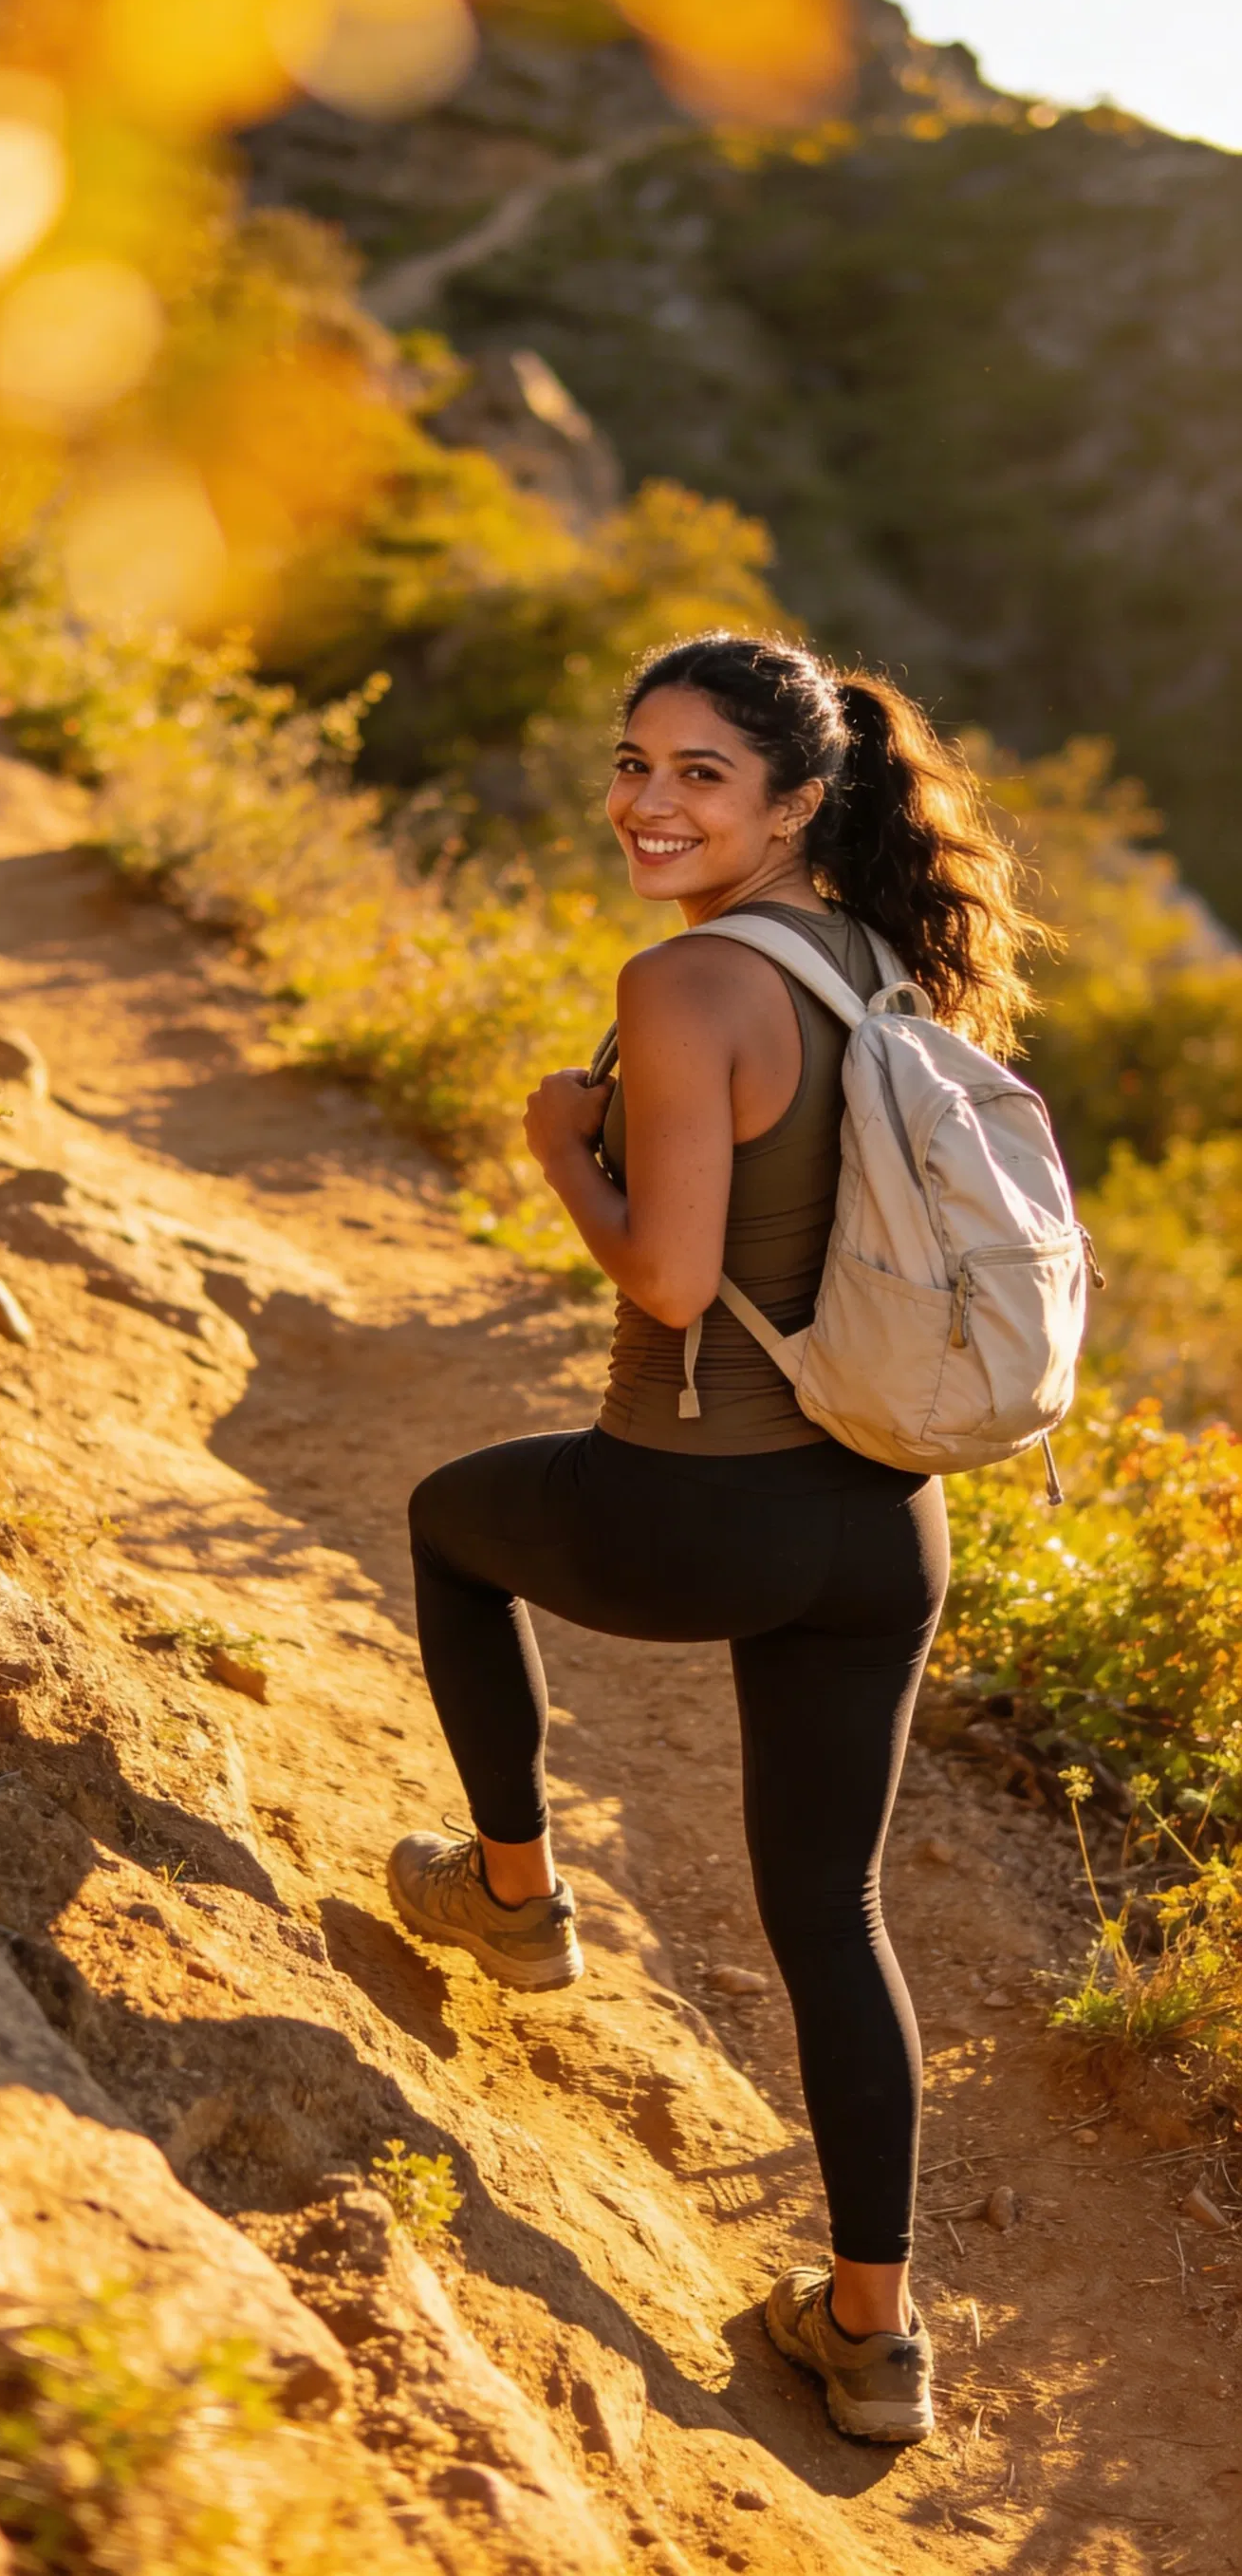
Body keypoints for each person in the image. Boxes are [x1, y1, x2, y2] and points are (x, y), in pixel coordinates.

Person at [386, 633, 1035, 2446]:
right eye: (632, 763)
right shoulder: (883, 963)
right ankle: (875, 2337)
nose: (647, 805)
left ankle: (514, 1899)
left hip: (698, 1505)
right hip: (884, 1525)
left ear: (797, 803)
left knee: (450, 1527)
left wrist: (561, 1151)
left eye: (698, 776)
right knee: (832, 1911)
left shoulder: (684, 986)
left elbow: (670, 1279)